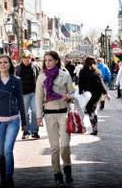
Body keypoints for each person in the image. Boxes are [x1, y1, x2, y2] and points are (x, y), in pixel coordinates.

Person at [0, 55, 26, 188]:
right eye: (0, 63)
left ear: (10, 65)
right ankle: (3, 175)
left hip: (13, 120)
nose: (3, 65)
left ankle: (8, 179)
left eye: (5, 62)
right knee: (0, 152)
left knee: (8, 151)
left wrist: (24, 122)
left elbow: (21, 101)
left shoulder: (17, 80)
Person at [35, 51, 75, 186]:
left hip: (64, 113)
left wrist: (69, 97)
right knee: (54, 147)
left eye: (50, 60)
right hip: (49, 114)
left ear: (57, 61)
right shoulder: (41, 77)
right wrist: (39, 116)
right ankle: (57, 174)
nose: (47, 63)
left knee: (64, 145)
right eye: (45, 60)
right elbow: (39, 97)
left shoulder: (65, 74)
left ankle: (67, 167)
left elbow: (72, 92)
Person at [79, 56, 109, 135]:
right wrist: (106, 93)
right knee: (92, 109)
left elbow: (80, 83)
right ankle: (94, 128)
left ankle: (94, 128)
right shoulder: (97, 71)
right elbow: (100, 83)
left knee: (90, 109)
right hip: (96, 93)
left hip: (87, 94)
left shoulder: (82, 71)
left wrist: (80, 93)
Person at [16, 50, 41, 139]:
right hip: (23, 94)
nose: (26, 60)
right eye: (24, 58)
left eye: (28, 58)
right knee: (25, 113)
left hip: (34, 93)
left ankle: (35, 131)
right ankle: (26, 131)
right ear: (22, 59)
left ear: (31, 58)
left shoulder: (36, 66)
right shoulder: (18, 68)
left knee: (35, 111)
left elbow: (41, 78)